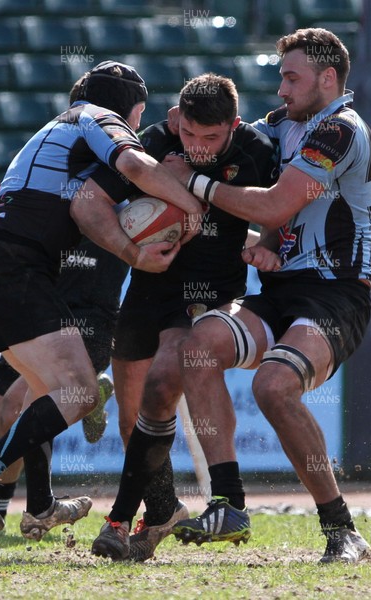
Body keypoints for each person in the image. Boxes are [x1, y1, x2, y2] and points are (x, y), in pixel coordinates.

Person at [0, 60, 203, 539]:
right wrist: (192, 204)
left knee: (47, 391)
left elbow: (89, 213)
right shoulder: (97, 119)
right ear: (135, 111)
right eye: (138, 120)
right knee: (80, 390)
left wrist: (132, 252)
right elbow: (131, 163)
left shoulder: (58, 127)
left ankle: (40, 507)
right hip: (15, 269)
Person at [162, 28, 371, 564]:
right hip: (280, 289)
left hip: (336, 294)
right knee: (199, 347)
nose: (280, 88)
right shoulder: (279, 126)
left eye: (291, 77)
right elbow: (208, 131)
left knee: (274, 386)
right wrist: (179, 132)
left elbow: (276, 205)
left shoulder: (342, 130)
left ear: (327, 79)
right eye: (281, 76)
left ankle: (341, 529)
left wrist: (197, 185)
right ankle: (228, 504)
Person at [82, 74, 278, 561]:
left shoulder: (254, 148)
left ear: (233, 125)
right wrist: (132, 248)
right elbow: (92, 198)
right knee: (133, 420)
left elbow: (278, 211)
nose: (198, 145)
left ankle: (118, 521)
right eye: (190, 134)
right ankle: (163, 511)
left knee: (162, 385)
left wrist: (261, 246)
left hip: (207, 293)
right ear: (178, 119)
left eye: (211, 138)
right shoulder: (157, 140)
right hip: (149, 286)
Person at [0, 235, 129, 537]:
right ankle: (92, 392)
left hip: (87, 320)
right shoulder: (51, 204)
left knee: (16, 407)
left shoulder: (118, 203)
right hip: (38, 314)